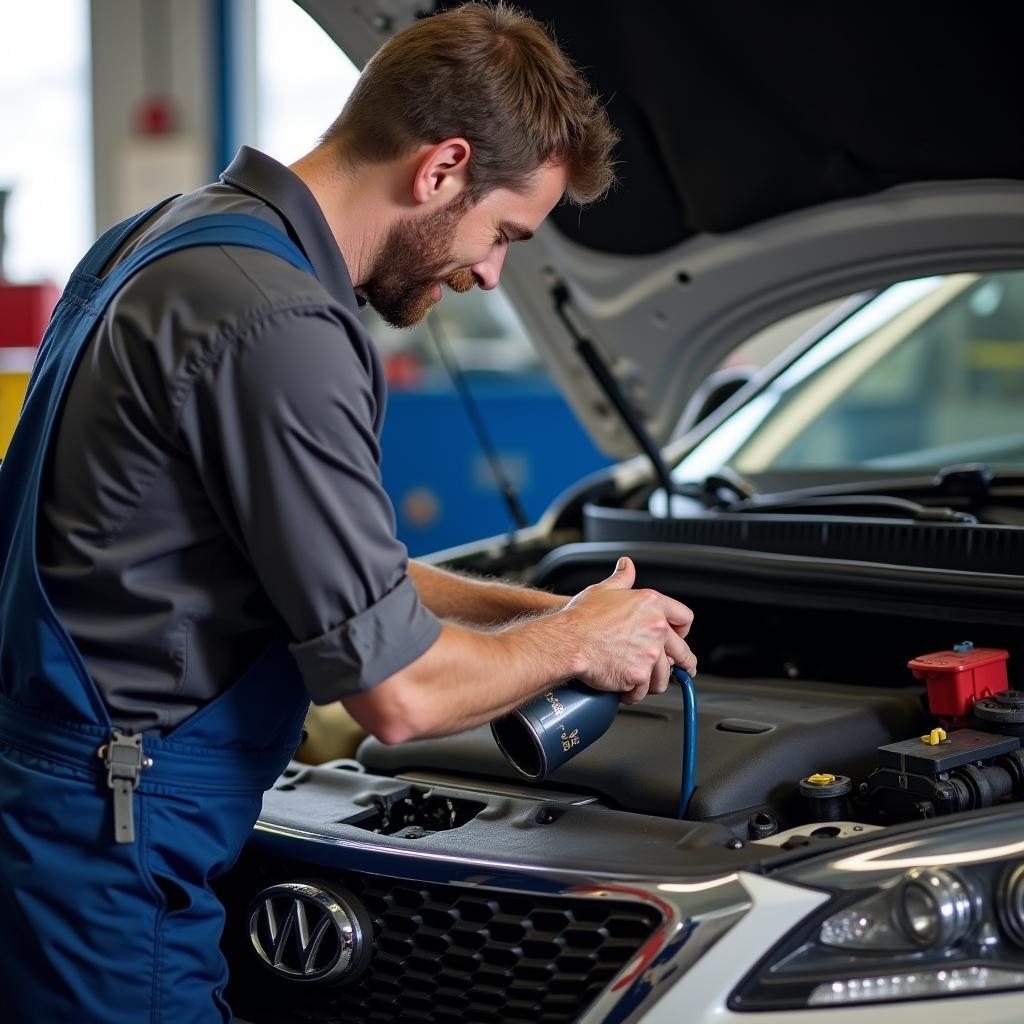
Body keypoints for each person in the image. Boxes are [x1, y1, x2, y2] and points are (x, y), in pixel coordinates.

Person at [0, 4, 696, 1021]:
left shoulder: (169, 237)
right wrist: (575, 647)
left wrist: (533, 614)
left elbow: (309, 568)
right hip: (113, 843)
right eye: (504, 233)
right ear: (441, 168)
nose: (489, 272)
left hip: (63, 801)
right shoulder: (279, 318)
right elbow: (400, 695)